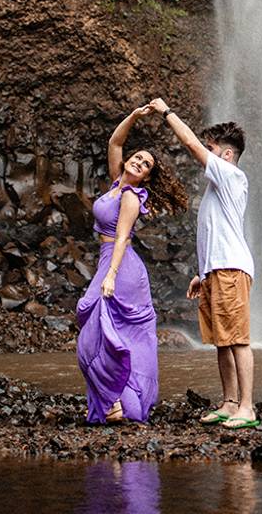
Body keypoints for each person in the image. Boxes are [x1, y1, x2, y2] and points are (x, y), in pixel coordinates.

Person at [149, 96, 258, 429]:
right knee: (220, 341)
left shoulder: (231, 176)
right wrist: (203, 273)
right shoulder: (218, 187)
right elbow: (215, 233)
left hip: (231, 269)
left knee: (237, 339)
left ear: (225, 155)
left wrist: (166, 112)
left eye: (212, 148)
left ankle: (247, 407)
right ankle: (228, 402)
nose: (204, 153)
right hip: (217, 270)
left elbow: (189, 143)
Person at [76, 105, 187, 424]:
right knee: (103, 332)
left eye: (146, 164)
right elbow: (114, 143)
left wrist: (109, 276)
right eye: (137, 157)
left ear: (148, 176)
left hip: (120, 267)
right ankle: (112, 401)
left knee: (100, 332)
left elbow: (123, 237)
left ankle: (114, 402)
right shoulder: (116, 184)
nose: (138, 162)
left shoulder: (130, 197)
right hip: (108, 262)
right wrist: (136, 116)